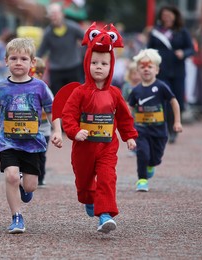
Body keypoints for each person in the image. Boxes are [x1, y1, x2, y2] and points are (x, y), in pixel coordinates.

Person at [53, 22, 137, 234]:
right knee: (84, 184)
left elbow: (125, 117)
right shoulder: (79, 92)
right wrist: (74, 131)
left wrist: (129, 136)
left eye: (104, 64)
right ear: (87, 63)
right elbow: (68, 115)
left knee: (107, 178)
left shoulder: (115, 93)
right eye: (95, 63)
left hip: (107, 147)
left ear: (111, 68)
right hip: (83, 148)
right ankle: (88, 200)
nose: (99, 67)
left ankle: (105, 215)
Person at [0, 38, 63, 234]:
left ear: (32, 63)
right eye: (13, 58)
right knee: (12, 176)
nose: (18, 62)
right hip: (7, 141)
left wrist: (57, 131)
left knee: (30, 186)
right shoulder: (0, 87)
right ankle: (17, 217)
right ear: (6, 61)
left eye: (23, 59)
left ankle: (25, 188)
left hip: (32, 143)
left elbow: (52, 110)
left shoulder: (40, 87)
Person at [128, 48, 183, 192]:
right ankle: (142, 179)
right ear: (138, 70)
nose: (146, 69)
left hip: (159, 130)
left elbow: (174, 102)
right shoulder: (136, 90)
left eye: (150, 66)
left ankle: (152, 164)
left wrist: (177, 122)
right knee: (142, 153)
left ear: (157, 70)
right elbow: (129, 107)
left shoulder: (161, 87)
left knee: (155, 158)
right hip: (141, 129)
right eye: (142, 67)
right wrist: (127, 125)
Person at [147, 5, 194, 143]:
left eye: (169, 15)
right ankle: (166, 129)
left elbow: (191, 48)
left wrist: (183, 53)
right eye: (164, 15)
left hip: (178, 71)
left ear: (174, 16)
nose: (166, 17)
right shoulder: (156, 32)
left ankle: (174, 128)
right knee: (165, 100)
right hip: (162, 71)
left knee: (176, 100)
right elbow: (149, 49)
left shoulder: (182, 31)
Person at [37, 2, 85, 96]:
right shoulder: (48, 33)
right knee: (58, 97)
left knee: (75, 96)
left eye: (56, 14)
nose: (54, 17)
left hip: (73, 67)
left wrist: (86, 53)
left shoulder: (73, 28)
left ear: (62, 14)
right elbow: (41, 52)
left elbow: (86, 39)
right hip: (56, 70)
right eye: (52, 14)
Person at [30, 57, 60, 186]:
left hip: (43, 129)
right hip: (29, 129)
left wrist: (56, 129)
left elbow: (51, 109)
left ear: (40, 74)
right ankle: (29, 175)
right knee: (28, 153)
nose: (29, 75)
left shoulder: (45, 90)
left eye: (32, 72)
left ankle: (40, 177)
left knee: (41, 153)